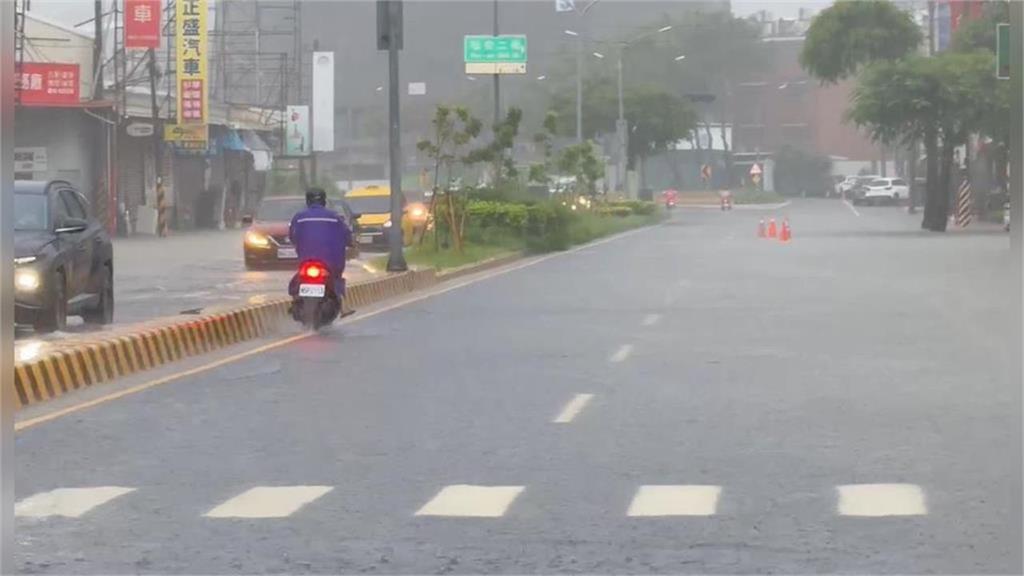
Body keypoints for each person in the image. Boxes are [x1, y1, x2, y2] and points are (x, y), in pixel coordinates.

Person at [289, 187, 353, 299]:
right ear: (324, 201)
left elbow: (293, 236)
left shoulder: (299, 217)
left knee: (297, 280)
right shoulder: (335, 217)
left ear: (307, 201)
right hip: (332, 262)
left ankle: (296, 299)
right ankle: (342, 303)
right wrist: (350, 243)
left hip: (306, 260)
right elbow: (347, 235)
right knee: (337, 278)